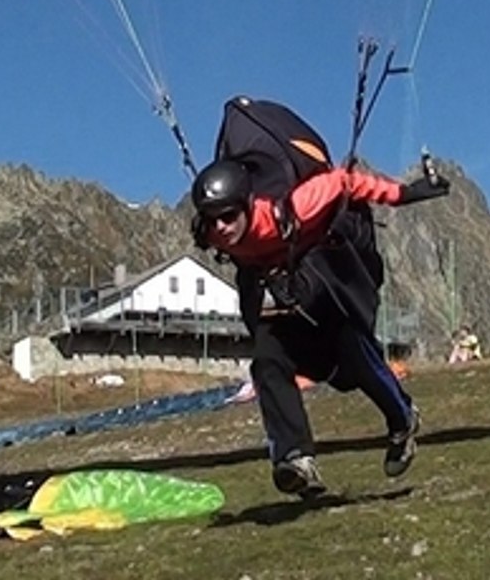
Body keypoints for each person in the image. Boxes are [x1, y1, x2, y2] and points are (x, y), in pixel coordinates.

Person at [190, 151, 450, 497]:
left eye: (228, 216)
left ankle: (402, 418)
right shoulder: (214, 233)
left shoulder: (293, 209)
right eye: (212, 220)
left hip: (323, 288)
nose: (221, 227)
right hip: (280, 306)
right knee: (267, 362)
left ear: (249, 205)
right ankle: (293, 457)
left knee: (354, 359)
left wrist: (405, 194)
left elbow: (347, 181)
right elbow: (217, 230)